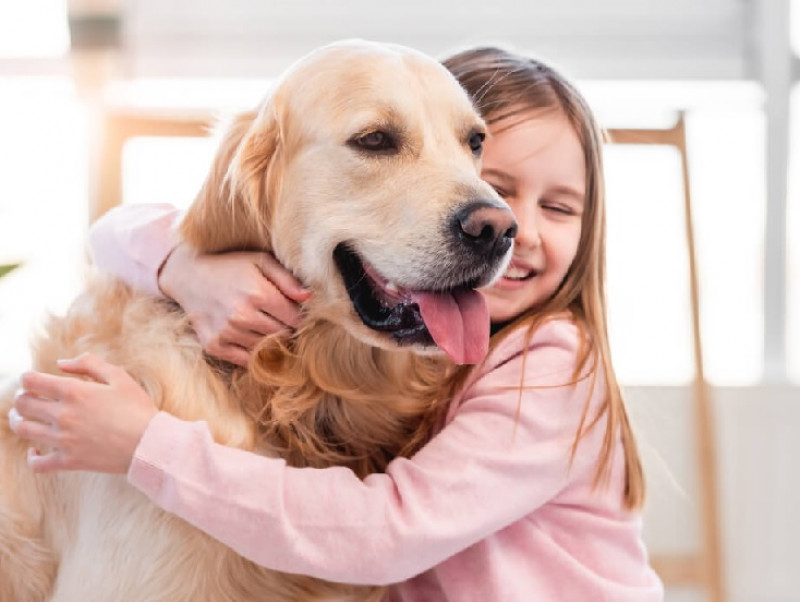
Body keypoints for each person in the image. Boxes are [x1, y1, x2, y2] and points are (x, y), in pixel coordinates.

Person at [10, 46, 664, 600]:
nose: (496, 217)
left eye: (467, 148)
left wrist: (147, 445)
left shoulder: (544, 367)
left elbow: (385, 531)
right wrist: (186, 266)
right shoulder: (415, 337)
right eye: (378, 141)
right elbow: (123, 229)